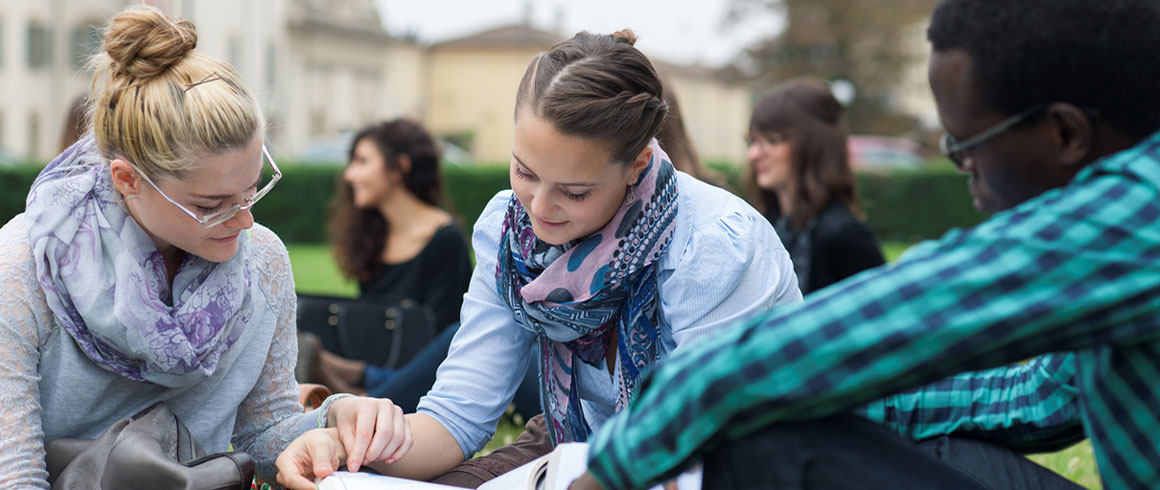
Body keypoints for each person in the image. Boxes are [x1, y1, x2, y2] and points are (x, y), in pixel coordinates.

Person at [570, 0, 1160, 489]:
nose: (962, 169)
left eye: (967, 145)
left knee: (764, 445)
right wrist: (828, 402)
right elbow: (1041, 397)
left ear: (1064, 133)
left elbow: (920, 305)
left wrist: (621, 456)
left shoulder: (1140, 216)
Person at [275, 29, 801, 489]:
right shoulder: (507, 229)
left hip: (723, 460)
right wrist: (349, 446)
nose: (540, 209)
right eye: (524, 171)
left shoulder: (711, 243)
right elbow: (456, 418)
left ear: (637, 164)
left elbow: (694, 444)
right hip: (574, 443)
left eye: (574, 192)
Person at [0, 6, 408, 487]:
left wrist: (335, 421)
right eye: (212, 204)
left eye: (253, 189)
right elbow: (17, 474)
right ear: (128, 180)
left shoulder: (264, 261)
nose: (245, 219)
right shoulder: (26, 263)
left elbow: (263, 430)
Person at [746, 78, 885, 294]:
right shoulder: (765, 223)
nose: (754, 154)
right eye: (753, 141)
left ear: (812, 145)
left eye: (772, 140)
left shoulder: (843, 235)